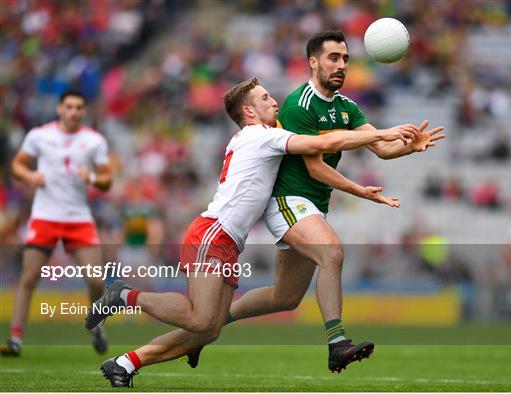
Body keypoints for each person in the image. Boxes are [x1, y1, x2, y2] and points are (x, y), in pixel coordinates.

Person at [85, 77, 416, 388]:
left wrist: (397, 148)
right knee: (201, 321)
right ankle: (124, 295)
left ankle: (124, 364)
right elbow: (328, 142)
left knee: (210, 329)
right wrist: (383, 133)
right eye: (265, 98)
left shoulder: (256, 138)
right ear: (248, 111)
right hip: (213, 233)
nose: (274, 102)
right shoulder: (261, 136)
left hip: (229, 241)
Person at [189, 30, 445, 373]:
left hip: (311, 207)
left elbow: (381, 148)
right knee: (332, 253)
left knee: (285, 297)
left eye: (345, 60)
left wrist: (408, 147)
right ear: (313, 62)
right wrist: (358, 189)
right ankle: (337, 343)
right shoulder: (299, 104)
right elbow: (314, 167)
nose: (341, 66)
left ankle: (208, 329)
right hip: (287, 199)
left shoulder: (347, 107)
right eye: (333, 58)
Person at [1, 90, 113, 356]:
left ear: (84, 111)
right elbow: (16, 165)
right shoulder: (40, 136)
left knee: (96, 280)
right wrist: (29, 176)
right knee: (28, 277)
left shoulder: (94, 141)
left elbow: (107, 179)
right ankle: (16, 338)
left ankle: (96, 325)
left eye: (78, 107)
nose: (73, 112)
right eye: (69, 107)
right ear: (59, 109)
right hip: (45, 216)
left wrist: (93, 178)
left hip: (78, 218)